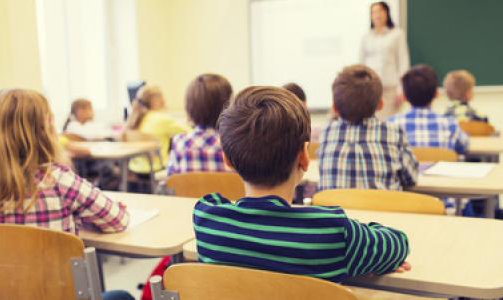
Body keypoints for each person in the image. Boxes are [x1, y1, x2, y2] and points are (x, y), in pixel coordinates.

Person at [193, 86, 410, 282]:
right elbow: (399, 244)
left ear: (227, 160)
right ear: (304, 157)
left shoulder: (207, 219)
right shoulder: (332, 231)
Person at [0, 89, 133, 300]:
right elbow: (117, 221)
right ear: (45, 129)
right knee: (121, 296)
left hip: (7, 293)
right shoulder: (57, 180)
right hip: (57, 294)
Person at [318, 65, 418, 191]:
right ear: (380, 104)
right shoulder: (393, 133)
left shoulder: (327, 132)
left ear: (334, 107)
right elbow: (411, 178)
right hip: (383, 209)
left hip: (335, 210)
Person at [389, 65, 469, 154]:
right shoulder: (450, 124)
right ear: (436, 94)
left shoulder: (391, 125)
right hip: (440, 168)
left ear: (404, 96)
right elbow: (464, 145)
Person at [167, 74, 232, 176]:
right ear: (228, 105)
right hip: (229, 192)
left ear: (189, 107)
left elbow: (170, 179)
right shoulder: (234, 144)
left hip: (187, 192)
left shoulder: (179, 142)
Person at [360, 1, 409, 120]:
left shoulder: (397, 34)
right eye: (373, 12)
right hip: (371, 89)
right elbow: (361, 65)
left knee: (391, 122)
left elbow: (403, 62)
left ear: (387, 13)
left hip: (390, 90)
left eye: (380, 11)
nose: (377, 15)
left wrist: (401, 89)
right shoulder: (366, 37)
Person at [126, 85, 190, 175]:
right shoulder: (161, 119)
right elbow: (190, 133)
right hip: (157, 168)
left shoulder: (135, 118)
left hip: (134, 168)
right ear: (154, 100)